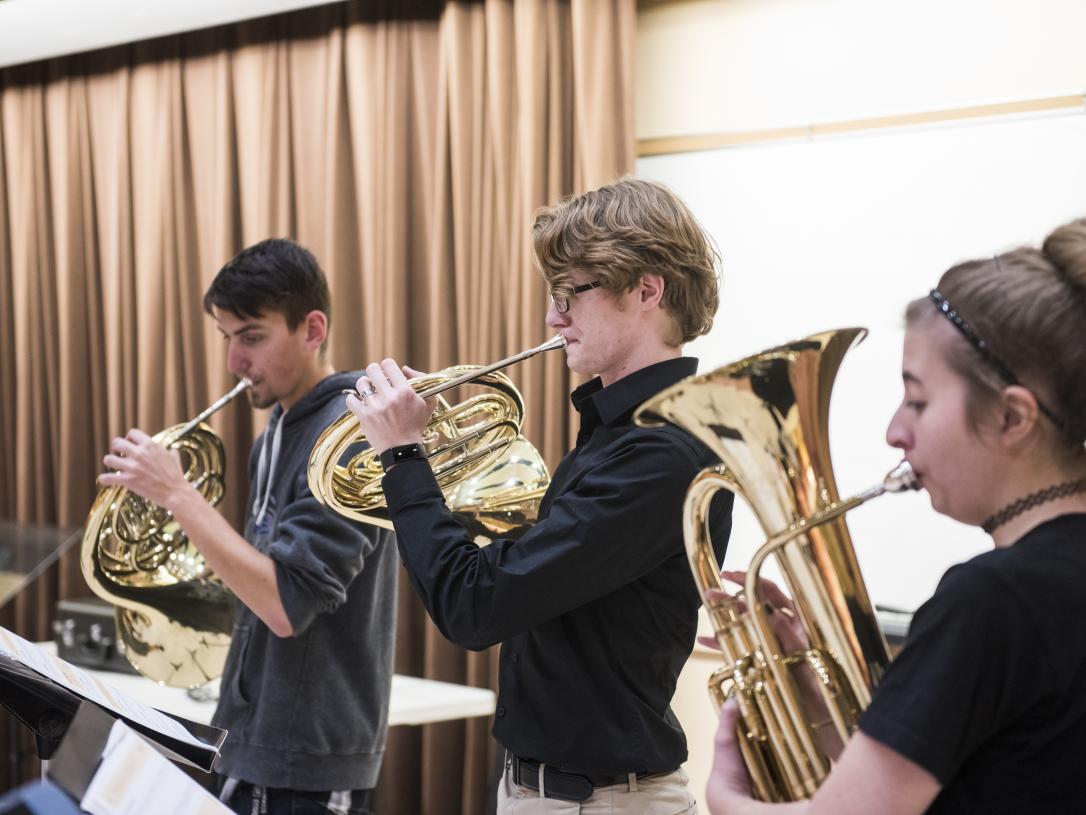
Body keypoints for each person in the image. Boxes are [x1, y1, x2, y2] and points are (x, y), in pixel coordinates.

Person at [346, 177, 734, 813]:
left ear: (646, 289)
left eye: (570, 294)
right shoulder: (617, 436)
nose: (553, 319)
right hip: (551, 792)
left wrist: (405, 455)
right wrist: (433, 444)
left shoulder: (663, 452)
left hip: (601, 803)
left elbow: (476, 606)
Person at [705, 217, 1086, 815]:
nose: (894, 432)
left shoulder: (995, 600)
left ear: (1013, 418)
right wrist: (817, 702)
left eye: (918, 399)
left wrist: (727, 799)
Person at [98, 239, 397, 815]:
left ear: (313, 329)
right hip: (247, 742)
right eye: (227, 337)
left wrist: (178, 494)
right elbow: (253, 578)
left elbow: (286, 605)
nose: (235, 361)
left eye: (252, 337)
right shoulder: (273, 436)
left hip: (306, 759)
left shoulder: (349, 435)